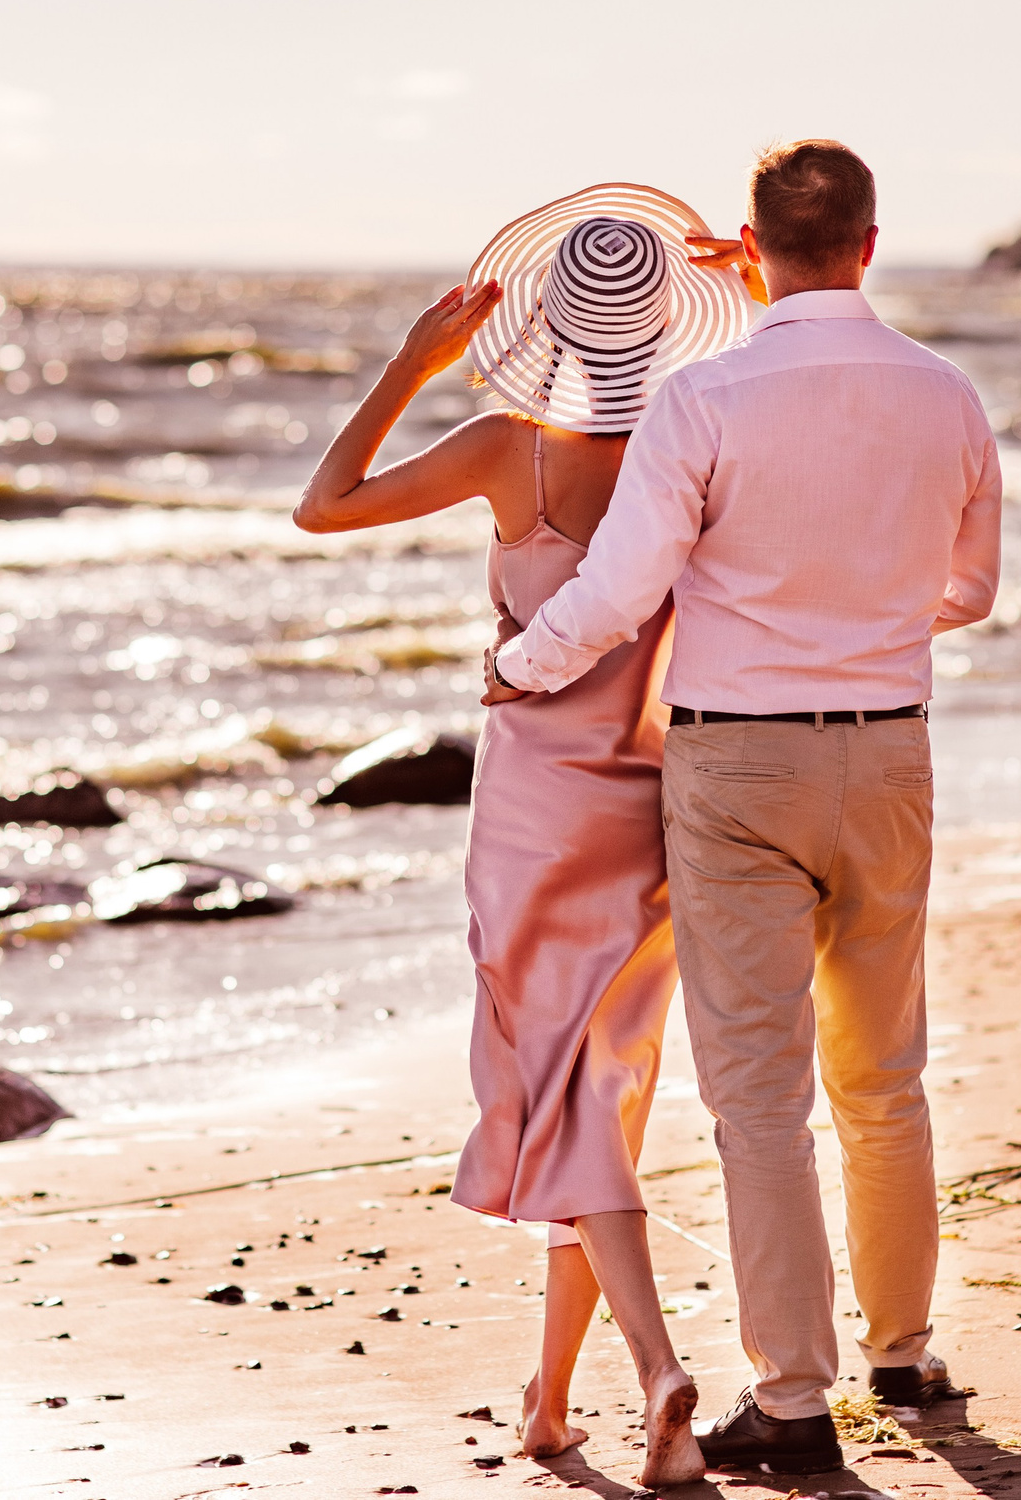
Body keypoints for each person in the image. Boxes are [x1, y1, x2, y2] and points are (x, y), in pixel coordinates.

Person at [483, 140, 1004, 1476]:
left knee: (759, 1098)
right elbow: (971, 590)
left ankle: (792, 1401)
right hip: (888, 754)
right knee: (885, 1070)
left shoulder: (705, 397)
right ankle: (902, 1351)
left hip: (737, 769)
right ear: (873, 243)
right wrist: (863, 612)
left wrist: (519, 664)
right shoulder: (947, 397)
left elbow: (616, 588)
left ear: (752, 246)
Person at [294, 184, 749, 1489]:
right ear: (667, 330)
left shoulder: (509, 449)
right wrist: (771, 297)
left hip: (536, 819)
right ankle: (551, 1406)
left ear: (544, 324)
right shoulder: (695, 443)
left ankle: (659, 1372)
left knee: (569, 1101)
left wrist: (408, 363)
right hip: (657, 807)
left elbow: (323, 508)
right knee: (594, 1097)